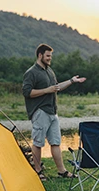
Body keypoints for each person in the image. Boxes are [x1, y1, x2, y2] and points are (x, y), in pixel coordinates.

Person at [22, 43, 86, 181]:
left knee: (56, 142)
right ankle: (38, 171)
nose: (50, 58)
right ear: (40, 55)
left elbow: (56, 88)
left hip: (52, 112)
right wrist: (46, 90)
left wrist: (71, 81)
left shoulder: (49, 71)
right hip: (40, 112)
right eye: (48, 56)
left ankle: (61, 171)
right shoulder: (31, 72)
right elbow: (27, 92)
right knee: (38, 142)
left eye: (51, 56)